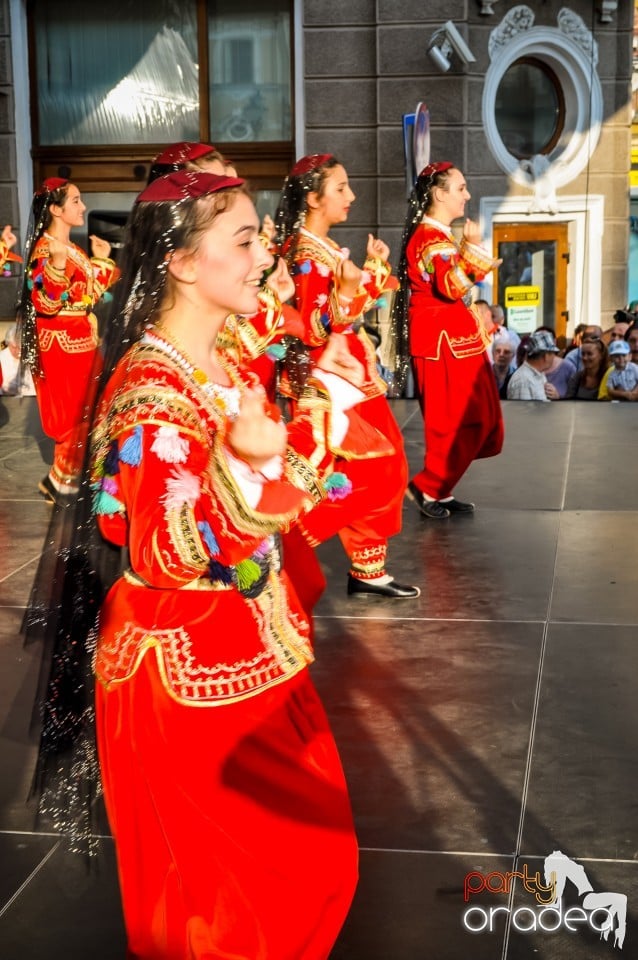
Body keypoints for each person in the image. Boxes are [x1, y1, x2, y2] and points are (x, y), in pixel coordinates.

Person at [35, 171, 363, 958]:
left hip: (238, 653)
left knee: (298, 876)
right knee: (226, 916)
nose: (263, 257)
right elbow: (163, 548)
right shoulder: (151, 391)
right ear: (182, 261)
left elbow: (270, 505)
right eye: (245, 241)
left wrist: (320, 413)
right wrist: (249, 471)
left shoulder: (215, 364)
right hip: (184, 683)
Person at [273, 153, 419, 598]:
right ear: (313, 198)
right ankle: (285, 538)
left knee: (383, 463)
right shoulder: (304, 256)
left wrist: (371, 272)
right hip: (328, 379)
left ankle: (367, 568)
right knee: (375, 469)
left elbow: (350, 304)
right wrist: (351, 289)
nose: (351, 196)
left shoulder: (322, 250)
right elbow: (315, 328)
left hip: (348, 371)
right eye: (340, 188)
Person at [392, 161, 504, 519]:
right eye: (460, 188)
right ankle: (428, 487)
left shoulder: (437, 237)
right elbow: (450, 286)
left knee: (474, 419)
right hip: (442, 343)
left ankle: (440, 488)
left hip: (453, 341)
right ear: (439, 194)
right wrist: (474, 250)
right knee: (454, 423)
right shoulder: (430, 238)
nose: (467, 195)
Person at [16, 178, 119, 504]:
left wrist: (102, 260)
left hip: (82, 343)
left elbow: (88, 295)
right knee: (74, 415)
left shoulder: (72, 249)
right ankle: (65, 484)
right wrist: (57, 267)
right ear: (56, 209)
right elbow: (45, 304)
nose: (83, 207)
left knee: (94, 407)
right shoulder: (45, 252)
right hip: (60, 347)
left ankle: (63, 481)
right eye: (75, 201)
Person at [506, 330, 560, 400]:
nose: (554, 357)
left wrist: (556, 397)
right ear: (546, 356)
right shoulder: (523, 381)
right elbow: (522, 410)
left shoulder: (539, 373)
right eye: (553, 353)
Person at [0, 323, 35, 395]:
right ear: (8, 343)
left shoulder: (32, 357)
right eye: (14, 347)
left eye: (20, 347)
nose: (17, 351)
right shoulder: (1, 358)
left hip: (31, 401)